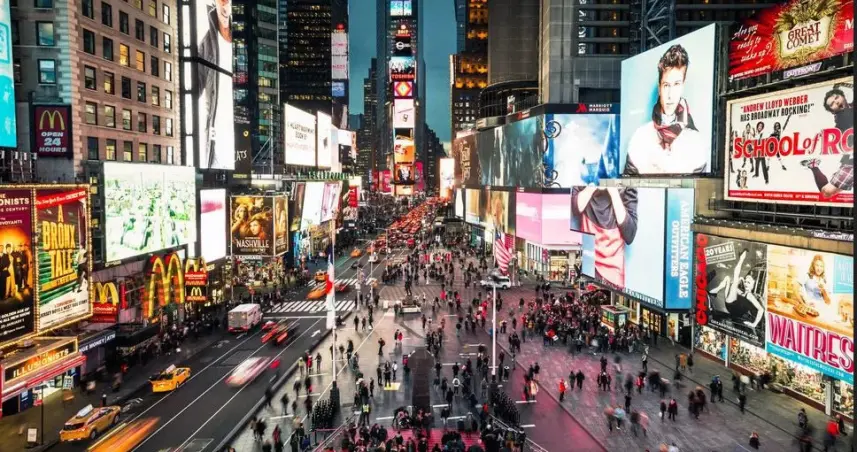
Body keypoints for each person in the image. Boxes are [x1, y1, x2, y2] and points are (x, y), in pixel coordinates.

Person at [625, 44, 708, 175]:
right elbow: (627, 185)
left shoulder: (695, 141)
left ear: (683, 86)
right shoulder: (641, 137)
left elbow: (700, 187)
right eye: (666, 85)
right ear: (659, 88)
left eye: (676, 84)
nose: (670, 94)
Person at [571, 186, 638, 289]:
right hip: (590, 263)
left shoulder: (627, 187)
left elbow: (630, 234)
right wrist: (592, 185)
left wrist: (613, 191)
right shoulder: (585, 182)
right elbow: (574, 209)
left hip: (613, 269)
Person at [196, 0, 234, 169]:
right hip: (218, 140)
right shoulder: (206, 44)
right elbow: (193, 89)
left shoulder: (244, 39)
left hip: (242, 135)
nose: (225, 7)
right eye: (221, 2)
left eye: (228, 2)